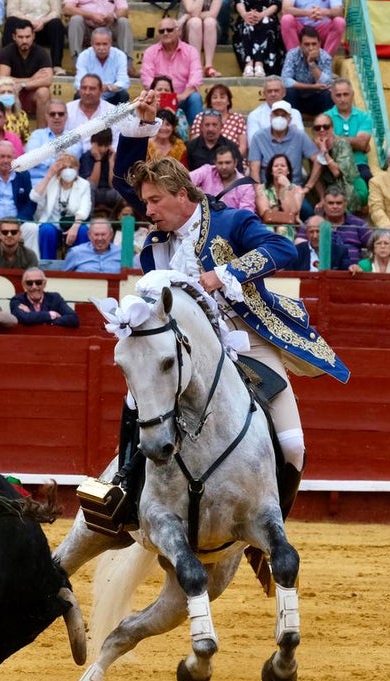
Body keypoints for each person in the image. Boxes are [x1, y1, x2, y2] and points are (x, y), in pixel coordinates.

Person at [112, 90, 349, 528]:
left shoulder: (229, 222)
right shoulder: (161, 232)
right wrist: (142, 127)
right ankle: (124, 492)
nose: (146, 211)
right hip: (184, 348)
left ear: (182, 194)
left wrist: (225, 274)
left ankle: (270, 521)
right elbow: (125, 183)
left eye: (154, 203)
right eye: (144, 203)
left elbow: (283, 247)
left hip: (244, 339)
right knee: (138, 396)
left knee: (293, 445)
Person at [247, 98, 319, 196]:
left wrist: (308, 187)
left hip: (293, 189)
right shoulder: (259, 137)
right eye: (276, 115)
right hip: (268, 190)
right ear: (271, 117)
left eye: (283, 115)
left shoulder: (299, 135)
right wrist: (259, 192)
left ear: (289, 119)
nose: (279, 118)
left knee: (307, 211)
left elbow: (317, 160)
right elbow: (254, 168)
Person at [141, 19, 204, 123]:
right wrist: (161, 97)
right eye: (162, 31)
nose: (165, 33)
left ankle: (197, 135)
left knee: (195, 98)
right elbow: (147, 80)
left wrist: (182, 96)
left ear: (178, 31)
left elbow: (196, 78)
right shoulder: (150, 52)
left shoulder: (190, 51)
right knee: (144, 99)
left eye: (169, 30)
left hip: (183, 98)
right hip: (158, 99)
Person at [32, 152, 91, 260]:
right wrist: (49, 174)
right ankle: (47, 265)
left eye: (71, 167)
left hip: (74, 224)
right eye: (64, 167)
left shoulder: (84, 184)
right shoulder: (51, 182)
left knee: (82, 231)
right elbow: (34, 197)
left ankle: (82, 266)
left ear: (77, 168)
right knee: (46, 230)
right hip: (52, 223)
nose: (68, 170)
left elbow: (84, 208)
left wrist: (75, 226)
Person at [0, 17, 52, 124]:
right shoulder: (6, 52)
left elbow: (47, 80)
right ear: (14, 37)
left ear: (33, 36)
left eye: (27, 37)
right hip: (12, 94)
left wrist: (23, 85)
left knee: (44, 92)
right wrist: (32, 79)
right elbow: (2, 79)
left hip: (32, 95)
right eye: (20, 37)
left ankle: (40, 135)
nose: (24, 41)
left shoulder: (42, 53)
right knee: (3, 92)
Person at [308, 113, 362, 208]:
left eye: (326, 127)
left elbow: (337, 173)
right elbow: (316, 177)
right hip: (324, 185)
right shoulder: (312, 147)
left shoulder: (342, 144)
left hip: (344, 183)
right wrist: (322, 198)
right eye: (317, 128)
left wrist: (324, 152)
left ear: (332, 128)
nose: (322, 130)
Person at [20, 98, 79, 184]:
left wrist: (43, 158)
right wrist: (57, 159)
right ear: (46, 116)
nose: (56, 117)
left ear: (66, 117)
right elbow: (31, 158)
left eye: (60, 114)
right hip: (38, 182)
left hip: (64, 183)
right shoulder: (37, 135)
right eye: (52, 114)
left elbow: (69, 160)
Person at [64, 0, 133, 68]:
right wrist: (91, 15)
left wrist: (113, 15)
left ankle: (127, 65)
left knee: (123, 22)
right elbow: (67, 9)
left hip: (109, 27)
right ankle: (78, 63)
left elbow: (125, 10)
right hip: (87, 27)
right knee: (75, 20)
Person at [281, 27, 332, 116]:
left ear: (319, 44)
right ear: (300, 44)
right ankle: (292, 121)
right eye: (307, 44)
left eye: (314, 44)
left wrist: (312, 63)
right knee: (289, 92)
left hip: (315, 100)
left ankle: (324, 124)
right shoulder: (292, 55)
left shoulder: (325, 57)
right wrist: (312, 87)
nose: (311, 48)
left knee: (328, 95)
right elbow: (285, 80)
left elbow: (326, 83)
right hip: (297, 98)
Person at [5, 0, 65, 74]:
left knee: (56, 23)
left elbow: (56, 12)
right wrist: (30, 21)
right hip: (22, 26)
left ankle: (56, 65)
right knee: (10, 22)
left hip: (44, 26)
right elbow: (11, 11)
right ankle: (7, 64)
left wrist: (43, 21)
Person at [190, 144, 256, 212]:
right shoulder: (206, 171)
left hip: (232, 221)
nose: (224, 167)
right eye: (220, 163)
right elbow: (184, 180)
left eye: (227, 163)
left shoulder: (245, 186)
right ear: (215, 162)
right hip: (205, 219)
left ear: (235, 163)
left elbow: (246, 214)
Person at [65, 74, 120, 154]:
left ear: (101, 91)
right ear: (79, 90)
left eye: (92, 89)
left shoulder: (113, 111)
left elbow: (116, 142)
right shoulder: (67, 109)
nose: (87, 92)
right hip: (72, 159)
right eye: (84, 88)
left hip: (104, 159)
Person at [73, 27, 129, 104]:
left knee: (123, 95)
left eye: (105, 44)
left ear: (110, 43)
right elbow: (78, 83)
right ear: (92, 43)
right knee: (78, 95)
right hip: (90, 94)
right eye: (98, 44)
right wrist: (94, 88)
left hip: (112, 94)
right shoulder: (84, 56)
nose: (101, 48)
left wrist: (109, 87)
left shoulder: (120, 56)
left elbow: (123, 81)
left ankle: (120, 116)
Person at [191, 83, 247, 157]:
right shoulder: (200, 117)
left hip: (232, 162)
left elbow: (243, 147)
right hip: (203, 160)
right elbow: (195, 144)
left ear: (228, 101)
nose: (218, 100)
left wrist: (232, 161)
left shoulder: (238, 118)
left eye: (222, 97)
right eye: (215, 97)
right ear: (210, 102)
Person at [10, 266, 79, 326]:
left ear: (44, 284)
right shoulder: (17, 300)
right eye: (29, 283)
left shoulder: (55, 298)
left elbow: (73, 319)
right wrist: (51, 315)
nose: (34, 287)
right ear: (23, 285)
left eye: (38, 282)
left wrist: (34, 316)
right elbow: (25, 318)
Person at [232, 0, 283, 78]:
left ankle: (259, 64)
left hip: (268, 16)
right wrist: (245, 15)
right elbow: (239, 2)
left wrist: (262, 15)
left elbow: (276, 4)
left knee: (266, 23)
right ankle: (249, 64)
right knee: (247, 24)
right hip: (246, 17)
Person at [255, 152, 303, 232]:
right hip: (267, 225)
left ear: (288, 171)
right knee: (269, 229)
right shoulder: (261, 188)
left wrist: (285, 187)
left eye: (283, 166)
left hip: (289, 227)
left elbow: (292, 211)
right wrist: (289, 217)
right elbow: (265, 214)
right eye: (276, 166)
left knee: (283, 229)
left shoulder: (298, 190)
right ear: (271, 171)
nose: (279, 168)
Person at [319, 186, 368, 263]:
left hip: (353, 272)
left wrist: (364, 266)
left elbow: (375, 245)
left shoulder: (359, 224)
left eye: (339, 203)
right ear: (324, 204)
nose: (335, 207)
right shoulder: (313, 223)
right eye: (331, 203)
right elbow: (300, 246)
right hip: (319, 271)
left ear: (345, 204)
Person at [80, 127, 122, 213]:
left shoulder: (112, 157)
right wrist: (98, 160)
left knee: (121, 192)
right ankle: (88, 220)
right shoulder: (86, 157)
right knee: (89, 188)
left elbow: (114, 185)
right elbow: (93, 184)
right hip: (94, 193)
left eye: (106, 145)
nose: (103, 149)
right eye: (100, 145)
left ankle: (119, 222)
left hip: (108, 192)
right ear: (93, 143)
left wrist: (111, 162)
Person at [178, 0, 222, 79]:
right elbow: (193, 11)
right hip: (188, 30)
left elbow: (213, 14)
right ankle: (197, 66)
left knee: (210, 21)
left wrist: (194, 15)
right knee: (195, 22)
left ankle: (208, 66)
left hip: (209, 31)